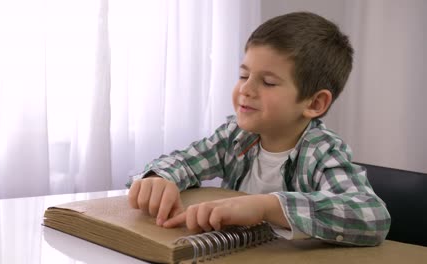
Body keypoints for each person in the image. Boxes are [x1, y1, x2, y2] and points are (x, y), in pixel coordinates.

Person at [127, 11, 390, 246]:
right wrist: (158, 178)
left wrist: (267, 206)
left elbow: (371, 215)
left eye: (268, 82)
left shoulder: (322, 150)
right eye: (243, 75)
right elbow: (184, 161)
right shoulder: (237, 135)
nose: (246, 89)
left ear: (315, 102)